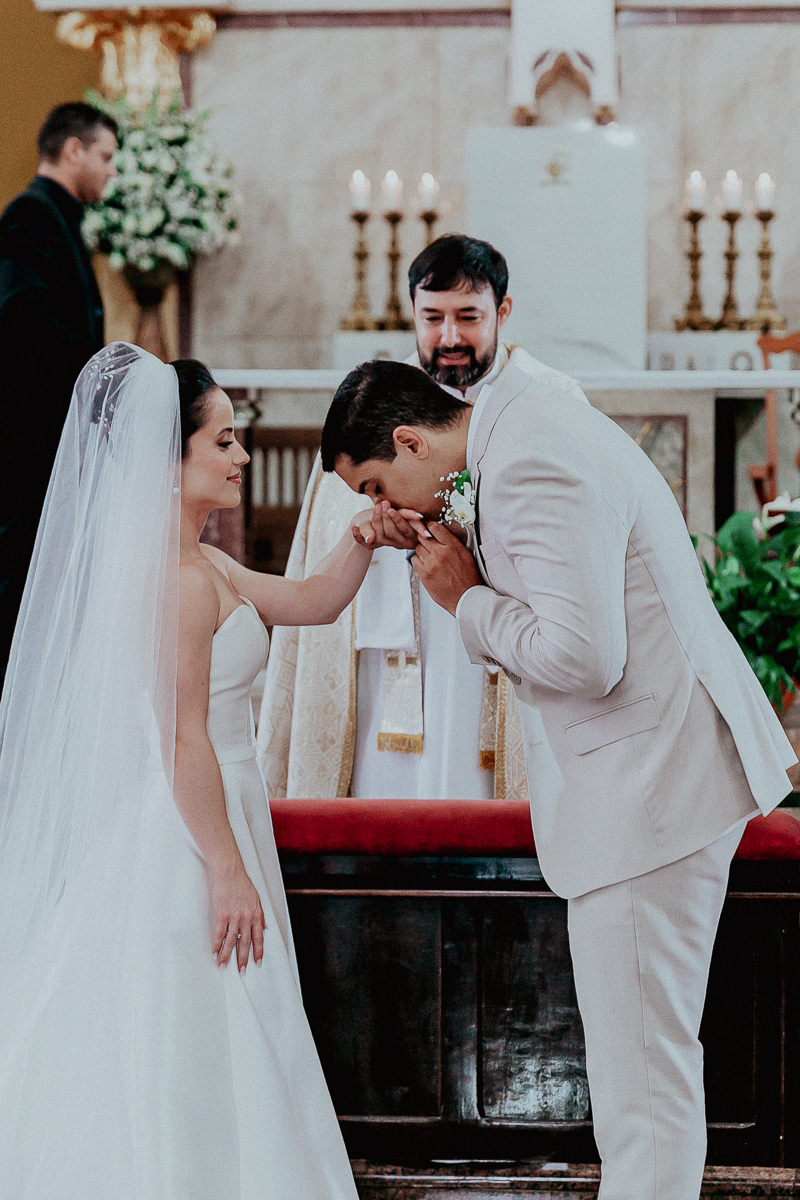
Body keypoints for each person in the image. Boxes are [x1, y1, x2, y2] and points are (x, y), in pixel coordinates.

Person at [320, 357, 799, 1200]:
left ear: (407, 440)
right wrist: (463, 553)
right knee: (643, 1084)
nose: (380, 509)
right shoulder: (519, 428)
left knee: (642, 1096)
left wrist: (465, 600)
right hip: (655, 777)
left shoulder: (527, 459)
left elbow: (584, 656)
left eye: (374, 484)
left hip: (651, 790)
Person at [0, 342, 413, 1199]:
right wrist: (225, 870)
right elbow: (181, 739)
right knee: (207, 1018)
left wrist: (364, 536)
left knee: (238, 1015)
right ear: (169, 458)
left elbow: (310, 602)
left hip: (225, 809)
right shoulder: (180, 587)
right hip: (196, 826)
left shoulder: (207, 564)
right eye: (222, 442)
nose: (243, 456)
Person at [259, 233, 586, 799]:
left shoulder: (548, 401)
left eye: (468, 317)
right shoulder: (370, 404)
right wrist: (370, 525)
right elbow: (336, 511)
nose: (450, 337)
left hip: (495, 635)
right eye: (432, 317)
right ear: (412, 311)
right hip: (385, 649)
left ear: (501, 312)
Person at [0, 101, 117, 685]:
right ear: (73, 151)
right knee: (22, 564)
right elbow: (22, 318)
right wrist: (99, 370)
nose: (110, 171)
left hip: (51, 430)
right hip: (30, 435)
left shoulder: (57, 215)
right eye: (105, 156)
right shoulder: (30, 215)